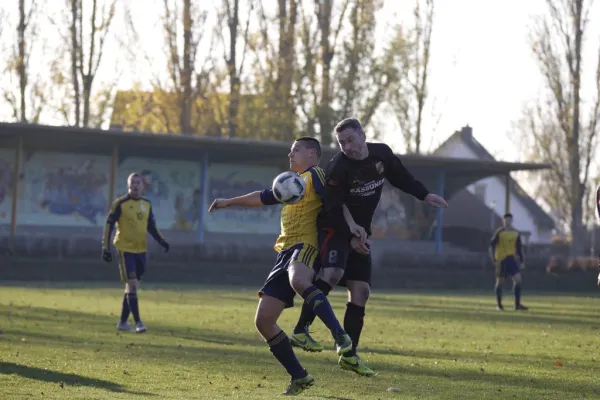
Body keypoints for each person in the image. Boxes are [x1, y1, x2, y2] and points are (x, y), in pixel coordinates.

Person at [290, 118, 448, 377]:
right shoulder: (338, 167)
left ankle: (349, 354)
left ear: (363, 135)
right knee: (332, 273)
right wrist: (350, 236)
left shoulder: (381, 154)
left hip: (360, 231)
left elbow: (400, 176)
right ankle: (301, 329)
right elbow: (332, 207)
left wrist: (425, 195)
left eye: (350, 140)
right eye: (342, 142)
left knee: (361, 292)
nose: (347, 147)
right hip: (334, 228)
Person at [208, 137, 353, 396]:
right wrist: (228, 201)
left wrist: (350, 233)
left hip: (306, 246)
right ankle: (300, 376)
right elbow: (262, 197)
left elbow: (335, 201)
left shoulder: (316, 175)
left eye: (296, 149)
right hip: (284, 253)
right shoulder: (291, 183)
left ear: (312, 153)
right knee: (264, 321)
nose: (290, 153)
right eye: (290, 149)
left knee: (299, 280)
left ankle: (341, 336)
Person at [102, 173, 170, 333]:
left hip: (141, 250)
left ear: (143, 185)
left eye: (138, 182)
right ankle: (138, 322)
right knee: (132, 285)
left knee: (131, 287)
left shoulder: (146, 204)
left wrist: (162, 241)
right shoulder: (120, 203)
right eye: (133, 182)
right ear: (128, 185)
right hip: (125, 249)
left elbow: (151, 226)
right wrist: (105, 247)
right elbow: (109, 225)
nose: (136, 185)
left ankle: (122, 322)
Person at [490, 213, 528, 311]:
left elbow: (519, 248)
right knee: (500, 281)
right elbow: (492, 246)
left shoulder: (515, 233)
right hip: (501, 259)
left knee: (518, 279)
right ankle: (499, 305)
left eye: (509, 220)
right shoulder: (499, 233)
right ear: (503, 221)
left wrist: (522, 260)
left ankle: (517, 305)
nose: (508, 222)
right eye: (506, 220)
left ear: (512, 221)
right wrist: (494, 259)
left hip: (511, 259)